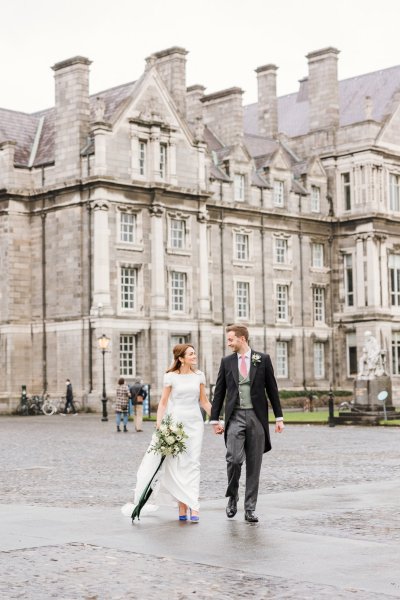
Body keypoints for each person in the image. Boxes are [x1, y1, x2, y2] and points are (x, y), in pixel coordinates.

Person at [124, 344, 212, 522]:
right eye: (191, 354)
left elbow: (204, 401)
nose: (195, 356)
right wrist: (159, 423)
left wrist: (217, 419)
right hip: (175, 424)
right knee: (176, 464)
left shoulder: (199, 376)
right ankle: (182, 505)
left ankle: (193, 506)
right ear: (181, 358)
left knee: (193, 463)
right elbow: (163, 402)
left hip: (195, 424)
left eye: (195, 353)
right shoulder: (170, 377)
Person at [210, 324, 284, 523]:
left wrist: (279, 417)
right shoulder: (227, 362)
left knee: (254, 464)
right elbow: (220, 392)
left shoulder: (263, 359)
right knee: (233, 459)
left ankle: (250, 508)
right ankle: (232, 497)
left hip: (256, 417)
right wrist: (215, 419)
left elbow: (272, 389)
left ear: (242, 339)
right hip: (234, 416)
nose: (228, 343)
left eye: (231, 339)